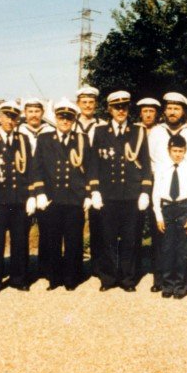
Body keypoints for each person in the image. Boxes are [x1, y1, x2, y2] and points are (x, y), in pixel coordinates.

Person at [89, 91, 152, 292]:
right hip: (108, 195)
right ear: (109, 109)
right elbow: (93, 163)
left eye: (124, 107)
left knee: (130, 239)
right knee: (107, 238)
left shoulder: (138, 131)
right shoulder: (100, 132)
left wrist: (145, 190)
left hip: (131, 195)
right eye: (117, 107)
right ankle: (108, 278)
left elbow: (146, 163)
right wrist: (95, 190)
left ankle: (128, 279)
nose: (121, 111)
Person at [32, 99, 92, 291]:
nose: (65, 121)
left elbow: (90, 168)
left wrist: (88, 193)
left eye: (69, 118)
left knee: (74, 240)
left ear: (73, 120)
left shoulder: (81, 139)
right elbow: (37, 168)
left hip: (74, 198)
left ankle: (72, 278)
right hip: (52, 198)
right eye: (61, 117)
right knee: (52, 239)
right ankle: (54, 278)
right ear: (56, 118)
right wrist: (40, 192)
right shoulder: (44, 139)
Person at [149, 92, 187, 293]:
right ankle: (161, 279)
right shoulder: (156, 132)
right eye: (169, 108)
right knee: (162, 239)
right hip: (163, 187)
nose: (172, 112)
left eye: (177, 109)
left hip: (185, 189)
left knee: (185, 242)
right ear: (165, 111)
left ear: (183, 112)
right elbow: (150, 159)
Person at [0, 101, 36, 293]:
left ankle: (19, 279)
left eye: (14, 118)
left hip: (19, 200)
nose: (10, 121)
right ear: (0, 117)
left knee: (20, 241)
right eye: (6, 117)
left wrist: (31, 195)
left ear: (18, 119)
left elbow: (30, 169)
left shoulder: (23, 140)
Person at [151, 134, 187, 299]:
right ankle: (167, 284)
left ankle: (180, 285)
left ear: (185, 151)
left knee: (182, 250)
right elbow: (156, 194)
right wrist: (159, 216)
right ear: (169, 150)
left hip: (183, 208)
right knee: (167, 249)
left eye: (181, 151)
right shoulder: (162, 168)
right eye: (175, 151)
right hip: (166, 209)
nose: (178, 154)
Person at [17, 98, 54, 280]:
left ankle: (46, 269)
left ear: (42, 113)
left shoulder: (50, 131)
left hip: (45, 188)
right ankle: (23, 271)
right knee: (21, 231)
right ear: (24, 113)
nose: (33, 115)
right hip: (23, 188)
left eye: (37, 111)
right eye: (30, 111)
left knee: (47, 229)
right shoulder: (18, 132)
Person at [74, 85, 107, 278]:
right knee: (74, 225)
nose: (87, 105)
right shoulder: (71, 123)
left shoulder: (102, 125)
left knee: (98, 224)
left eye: (91, 102)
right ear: (78, 104)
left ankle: (98, 266)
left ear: (96, 104)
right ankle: (75, 267)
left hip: (97, 179)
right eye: (84, 102)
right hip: (75, 180)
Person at [135, 97, 161, 286]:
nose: (148, 114)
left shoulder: (161, 131)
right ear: (140, 113)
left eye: (151, 111)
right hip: (137, 182)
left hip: (156, 180)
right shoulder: (134, 130)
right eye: (145, 111)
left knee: (156, 224)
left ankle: (157, 268)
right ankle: (135, 267)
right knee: (135, 225)